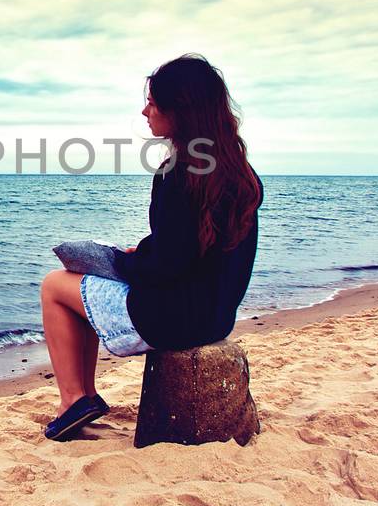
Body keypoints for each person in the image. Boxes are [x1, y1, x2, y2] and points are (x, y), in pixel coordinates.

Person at [38, 54, 264, 440]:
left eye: (154, 104)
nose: (145, 111)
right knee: (84, 280)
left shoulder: (178, 173)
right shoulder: (238, 173)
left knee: (56, 285)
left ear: (180, 112)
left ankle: (75, 397)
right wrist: (140, 254)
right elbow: (192, 246)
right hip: (215, 315)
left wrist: (120, 264)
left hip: (173, 318)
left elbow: (167, 265)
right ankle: (83, 396)